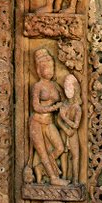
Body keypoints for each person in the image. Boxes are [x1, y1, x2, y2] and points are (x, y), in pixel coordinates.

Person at [30, 49, 68, 185]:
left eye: (52, 67)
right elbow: (36, 107)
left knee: (60, 148)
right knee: (43, 153)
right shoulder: (37, 86)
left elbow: (64, 102)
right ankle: (53, 178)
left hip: (49, 122)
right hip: (37, 122)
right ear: (39, 70)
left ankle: (40, 167)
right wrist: (52, 108)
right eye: (46, 67)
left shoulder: (55, 86)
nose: (50, 70)